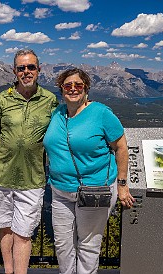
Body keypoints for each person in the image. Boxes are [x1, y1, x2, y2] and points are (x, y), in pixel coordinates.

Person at [43, 68, 135, 274]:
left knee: (88, 245)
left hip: (94, 190)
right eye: (68, 86)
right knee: (63, 245)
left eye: (78, 85)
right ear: (61, 90)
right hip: (60, 190)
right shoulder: (57, 113)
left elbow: (121, 147)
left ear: (86, 89)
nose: (73, 89)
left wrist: (122, 185)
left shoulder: (101, 114)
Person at [0, 49, 58, 274]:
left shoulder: (50, 100)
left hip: (33, 178)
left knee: (24, 233)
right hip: (1, 174)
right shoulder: (2, 99)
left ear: (39, 70)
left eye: (31, 67)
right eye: (21, 68)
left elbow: (63, 128)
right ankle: (8, 271)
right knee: (5, 229)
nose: (26, 72)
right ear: (14, 71)